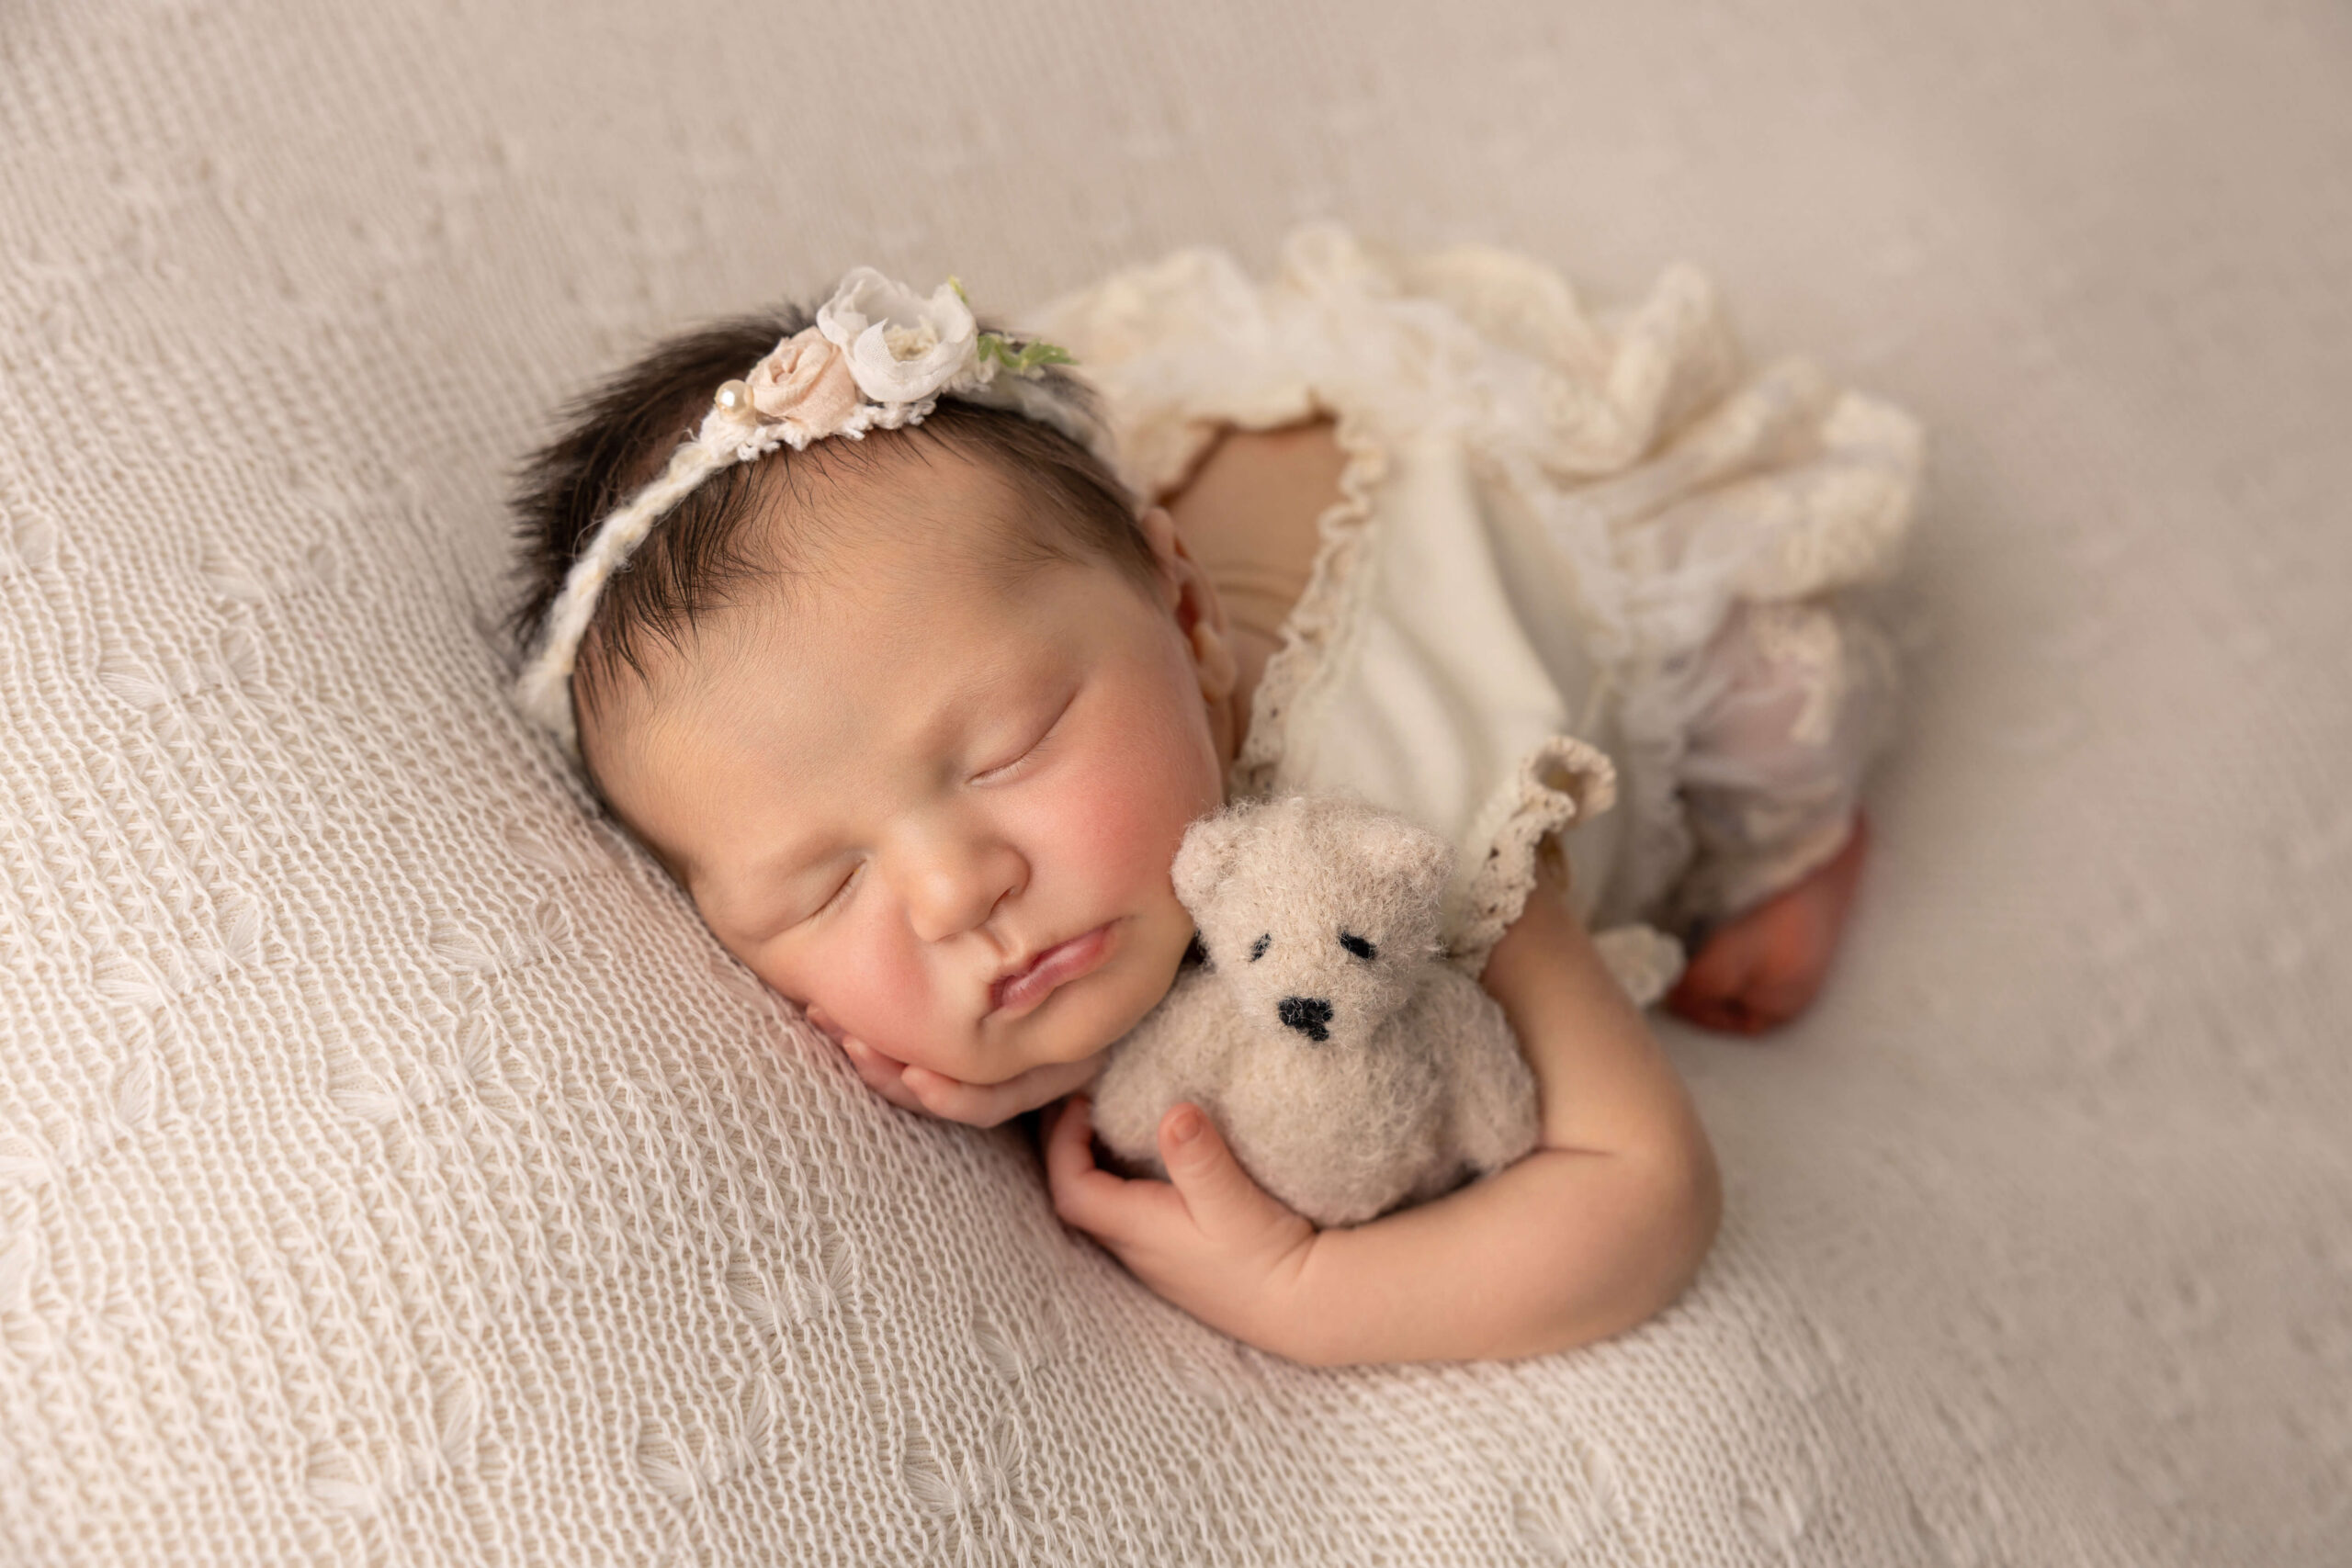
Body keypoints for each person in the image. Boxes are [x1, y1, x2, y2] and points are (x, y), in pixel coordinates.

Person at [504, 227, 1923, 1366]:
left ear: (1187, 617)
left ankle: (1801, 852)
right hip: (1145, 536)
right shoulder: (1010, 752)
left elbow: (1645, 1194)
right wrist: (1068, 1046)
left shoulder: (1397, 823)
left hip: (1519, 509)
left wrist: (1310, 1287)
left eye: (1008, 747)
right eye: (824, 885)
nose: (953, 892)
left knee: (1779, 702)